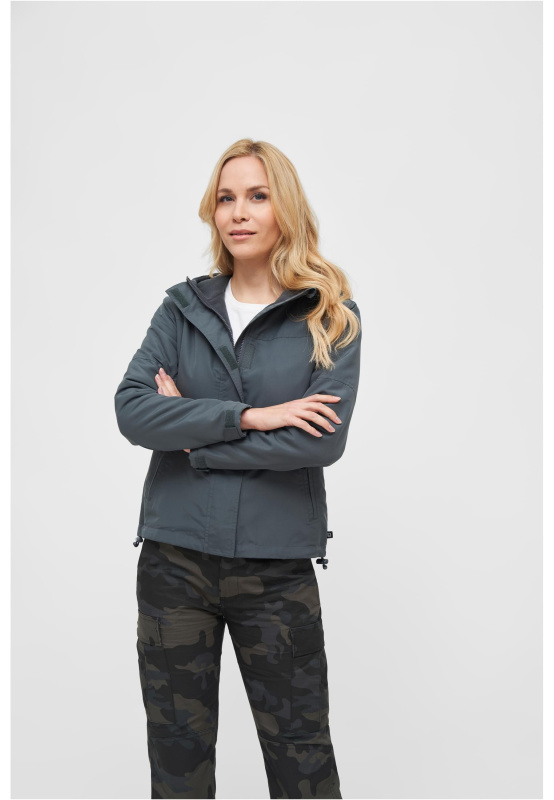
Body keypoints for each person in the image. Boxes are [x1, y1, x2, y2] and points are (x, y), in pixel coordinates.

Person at [114, 138, 362, 799]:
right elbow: (133, 412)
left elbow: (318, 443)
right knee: (178, 761)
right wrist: (252, 417)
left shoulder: (330, 315)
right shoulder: (181, 309)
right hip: (174, 564)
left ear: (286, 208)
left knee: (303, 761)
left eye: (257, 196)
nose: (239, 212)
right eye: (226, 198)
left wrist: (193, 440)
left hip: (276, 569)